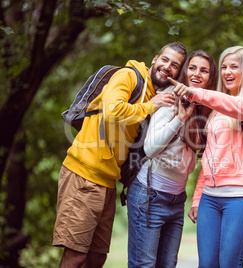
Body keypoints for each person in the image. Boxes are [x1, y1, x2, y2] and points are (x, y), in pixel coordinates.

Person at [52, 41, 187, 268]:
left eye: (175, 65)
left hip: (107, 183)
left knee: (96, 258)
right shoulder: (129, 76)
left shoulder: (158, 96)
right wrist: (149, 106)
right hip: (83, 174)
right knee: (75, 256)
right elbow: (112, 110)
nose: (167, 67)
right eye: (165, 60)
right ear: (155, 59)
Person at [171, 46, 243, 268]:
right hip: (210, 199)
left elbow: (231, 104)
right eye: (224, 67)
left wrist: (192, 92)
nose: (227, 72)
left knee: (229, 264)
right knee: (206, 265)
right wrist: (197, 198)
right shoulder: (215, 111)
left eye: (234, 66)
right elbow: (209, 157)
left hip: (241, 197)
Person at [126, 50, 217, 268]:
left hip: (177, 199)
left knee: (168, 264)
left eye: (204, 71)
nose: (197, 74)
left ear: (210, 78)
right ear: (185, 72)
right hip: (149, 195)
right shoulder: (169, 97)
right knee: (144, 264)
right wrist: (179, 118)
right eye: (193, 68)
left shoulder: (205, 109)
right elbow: (150, 148)